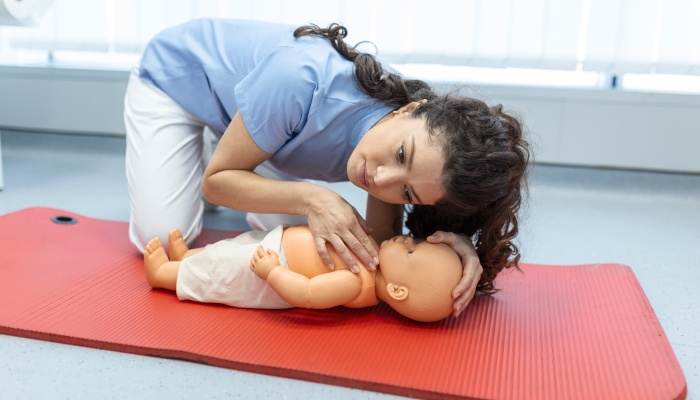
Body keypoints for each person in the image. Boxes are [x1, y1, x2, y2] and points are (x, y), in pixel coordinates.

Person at [124, 19, 530, 317]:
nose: (382, 180)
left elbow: (383, 245)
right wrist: (313, 196)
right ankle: (229, 143)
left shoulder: (405, 152)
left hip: (277, 134)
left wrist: (454, 248)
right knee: (156, 235)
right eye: (402, 155)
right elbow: (215, 184)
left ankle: (243, 142)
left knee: (308, 245)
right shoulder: (300, 79)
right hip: (175, 80)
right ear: (408, 110)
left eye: (407, 194)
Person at [143, 226, 462, 323]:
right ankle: (187, 257)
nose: (407, 239)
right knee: (226, 249)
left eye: (410, 251)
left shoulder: (354, 282)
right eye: (415, 242)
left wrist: (273, 272)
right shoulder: (371, 260)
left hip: (271, 268)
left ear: (397, 291)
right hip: (275, 242)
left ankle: (163, 274)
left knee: (221, 270)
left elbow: (307, 294)